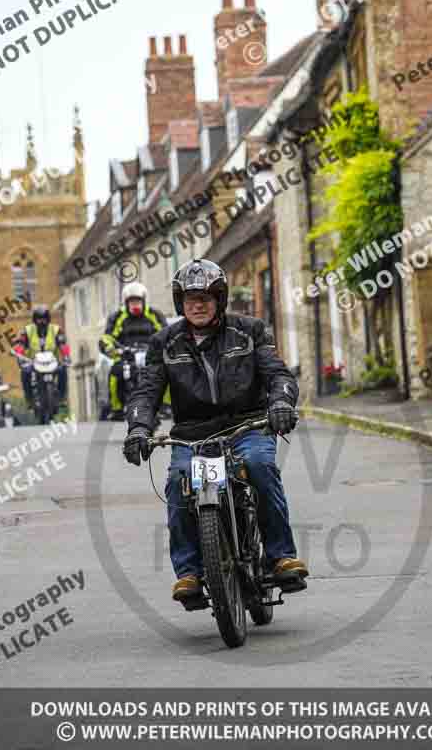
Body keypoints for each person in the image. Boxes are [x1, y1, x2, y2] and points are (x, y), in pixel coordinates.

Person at [123, 259, 308, 606]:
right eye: (191, 298)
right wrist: (138, 428)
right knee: (179, 482)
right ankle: (190, 573)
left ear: (220, 299)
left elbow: (278, 375)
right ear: (180, 303)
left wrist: (281, 403)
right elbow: (145, 393)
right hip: (192, 436)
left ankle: (281, 556)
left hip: (247, 426)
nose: (198, 304)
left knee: (259, 467)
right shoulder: (164, 342)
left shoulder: (250, 331)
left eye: (206, 297)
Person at [99, 282, 168, 420]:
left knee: (166, 370)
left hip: (151, 354)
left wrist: (165, 345)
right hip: (126, 355)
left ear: (143, 301)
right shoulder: (117, 316)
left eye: (137, 301)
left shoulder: (155, 314)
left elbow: (166, 332)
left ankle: (166, 405)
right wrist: (110, 347)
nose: (134, 305)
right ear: (126, 302)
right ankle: (117, 408)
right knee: (114, 373)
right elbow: (107, 337)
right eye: (131, 301)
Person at [13, 305, 71, 408]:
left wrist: (66, 356)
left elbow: (62, 344)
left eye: (44, 318)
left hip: (53, 361)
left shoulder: (56, 330)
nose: (41, 321)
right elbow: (21, 345)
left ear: (48, 319)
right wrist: (19, 355)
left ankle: (62, 397)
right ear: (34, 319)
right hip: (34, 362)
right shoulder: (27, 330)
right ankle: (29, 398)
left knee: (63, 370)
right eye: (39, 319)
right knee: (24, 372)